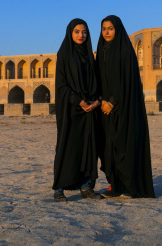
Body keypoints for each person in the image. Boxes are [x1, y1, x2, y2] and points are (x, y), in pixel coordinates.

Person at [96, 15, 155, 198]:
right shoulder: (101, 50)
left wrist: (112, 102)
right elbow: (97, 80)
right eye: (104, 28)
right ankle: (115, 185)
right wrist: (101, 101)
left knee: (123, 145)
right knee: (108, 146)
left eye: (111, 28)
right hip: (105, 108)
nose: (107, 32)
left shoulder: (125, 51)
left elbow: (126, 81)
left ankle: (129, 186)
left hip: (123, 107)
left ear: (118, 30)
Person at [52, 18, 103, 202]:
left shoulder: (90, 55)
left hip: (89, 110)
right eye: (77, 32)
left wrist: (96, 101)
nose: (81, 35)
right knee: (67, 147)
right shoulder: (64, 54)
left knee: (89, 148)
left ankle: (86, 186)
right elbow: (62, 86)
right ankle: (59, 188)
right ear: (70, 33)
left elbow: (97, 82)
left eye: (84, 32)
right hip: (71, 110)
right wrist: (79, 101)